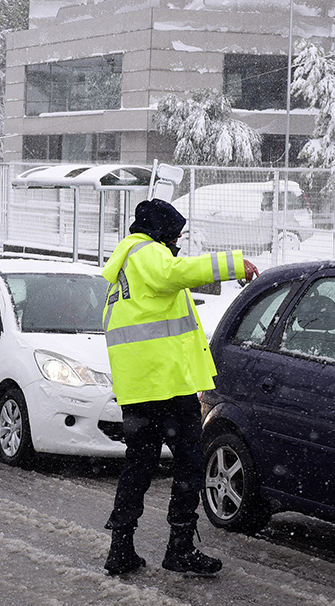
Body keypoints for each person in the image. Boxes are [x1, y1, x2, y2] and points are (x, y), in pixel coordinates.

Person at [101, 198, 258, 577]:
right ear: (161, 233)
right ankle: (180, 547)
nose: (178, 243)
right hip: (166, 388)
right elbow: (178, 272)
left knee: (139, 466)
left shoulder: (127, 268)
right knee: (189, 464)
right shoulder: (147, 254)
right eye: (176, 235)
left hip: (142, 389)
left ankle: (121, 548)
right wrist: (235, 263)